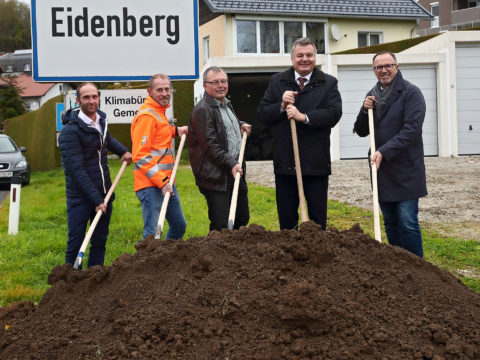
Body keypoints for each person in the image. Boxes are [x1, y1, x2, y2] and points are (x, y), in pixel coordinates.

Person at [257, 37, 342, 230]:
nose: (305, 59)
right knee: (287, 218)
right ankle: (288, 256)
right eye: (300, 55)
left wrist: (304, 117)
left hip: (316, 162)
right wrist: (281, 105)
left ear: (315, 57)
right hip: (286, 162)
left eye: (309, 55)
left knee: (317, 218)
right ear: (292, 58)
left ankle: (316, 255)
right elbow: (262, 113)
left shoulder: (328, 83)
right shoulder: (278, 81)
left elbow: (334, 113)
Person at [354, 51, 427, 258]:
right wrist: (363, 109)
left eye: (388, 65)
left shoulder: (411, 93)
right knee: (391, 223)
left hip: (406, 168)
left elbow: (411, 130)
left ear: (396, 66)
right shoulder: (373, 94)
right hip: (382, 170)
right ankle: (398, 265)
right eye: (379, 67)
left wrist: (384, 151)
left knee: (407, 222)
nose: (384, 70)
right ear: (374, 71)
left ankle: (418, 268)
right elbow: (361, 130)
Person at [59, 82, 132, 268]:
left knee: (99, 240)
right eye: (86, 97)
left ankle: (95, 278)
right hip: (80, 197)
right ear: (77, 100)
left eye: (94, 97)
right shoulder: (70, 131)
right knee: (76, 242)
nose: (91, 101)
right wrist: (96, 200)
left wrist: (123, 151)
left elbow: (106, 140)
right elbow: (77, 170)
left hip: (104, 193)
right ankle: (69, 282)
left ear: (99, 98)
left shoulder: (100, 120)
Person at [188, 66, 251, 231]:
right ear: (205, 86)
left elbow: (223, 126)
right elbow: (211, 146)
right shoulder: (202, 110)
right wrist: (231, 163)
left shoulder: (226, 104)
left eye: (223, 81)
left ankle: (236, 254)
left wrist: (240, 124)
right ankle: (215, 256)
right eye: (215, 82)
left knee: (242, 218)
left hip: (233, 170)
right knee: (221, 224)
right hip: (216, 177)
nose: (221, 85)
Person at [131, 74, 188, 240]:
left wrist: (175, 131)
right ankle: (147, 265)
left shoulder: (158, 112)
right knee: (152, 235)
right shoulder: (147, 116)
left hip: (167, 182)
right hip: (151, 185)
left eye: (167, 89)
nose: (164, 93)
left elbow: (159, 133)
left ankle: (166, 261)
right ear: (150, 91)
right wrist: (162, 182)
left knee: (179, 226)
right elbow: (140, 155)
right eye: (159, 90)